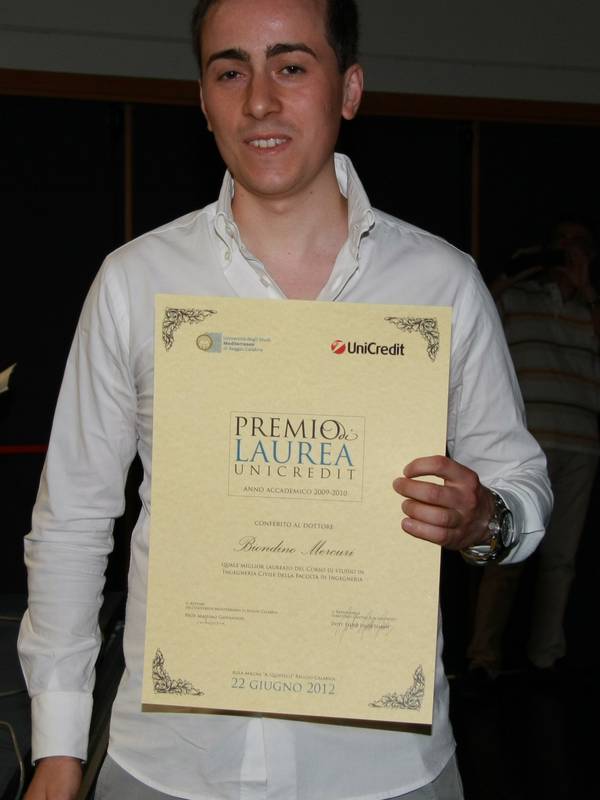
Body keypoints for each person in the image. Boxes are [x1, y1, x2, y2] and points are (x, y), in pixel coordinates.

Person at [18, 1, 551, 798]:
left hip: (384, 770)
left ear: (350, 89)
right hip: (170, 765)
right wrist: (59, 748)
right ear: (203, 101)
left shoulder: (440, 285)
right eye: (230, 71)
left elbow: (523, 486)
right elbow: (72, 522)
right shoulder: (135, 283)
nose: (259, 101)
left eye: (291, 67)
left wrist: (484, 520)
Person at [467, 219, 599, 679]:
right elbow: (477, 308)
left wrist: (587, 290)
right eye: (561, 243)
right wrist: (524, 268)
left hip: (581, 444)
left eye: (577, 243)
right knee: (503, 551)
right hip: (523, 443)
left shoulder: (591, 308)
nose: (568, 250)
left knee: (560, 561)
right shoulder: (518, 299)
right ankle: (483, 659)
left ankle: (546, 658)